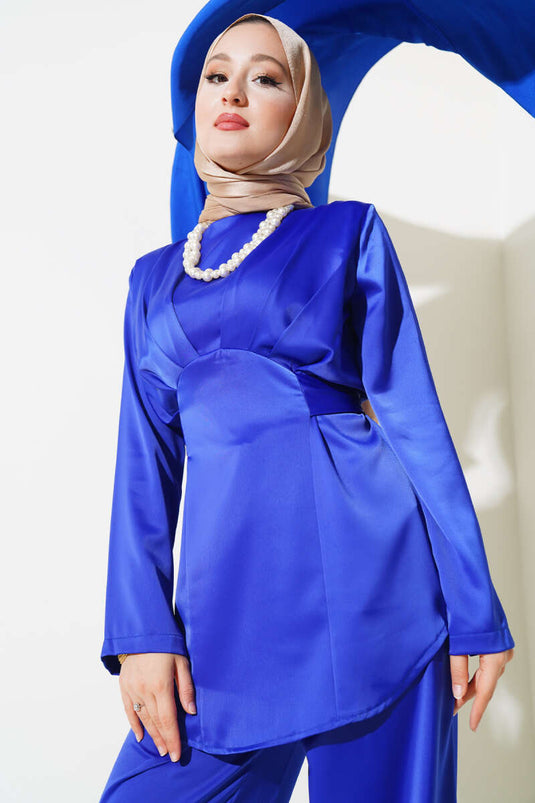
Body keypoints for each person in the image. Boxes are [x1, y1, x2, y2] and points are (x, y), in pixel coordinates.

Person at [98, 12, 515, 802]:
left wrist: (474, 609)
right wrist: (142, 634)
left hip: (373, 601)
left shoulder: (344, 232)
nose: (232, 93)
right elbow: (142, 469)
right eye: (216, 76)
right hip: (222, 628)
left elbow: (415, 424)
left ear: (304, 114)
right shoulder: (153, 280)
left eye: (265, 78)